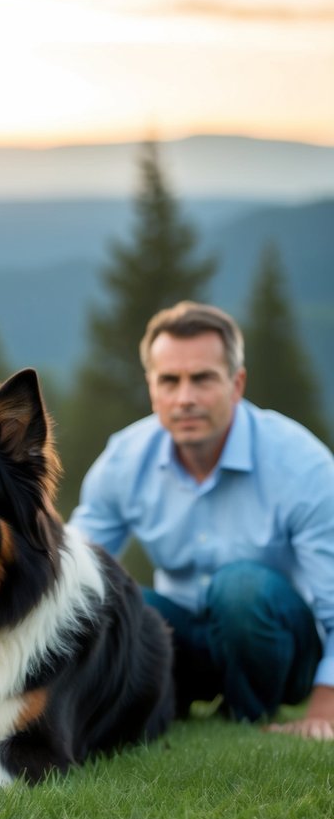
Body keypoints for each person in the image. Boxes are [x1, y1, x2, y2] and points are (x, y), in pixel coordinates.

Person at [70, 301, 334, 740]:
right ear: (152, 388)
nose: (185, 398)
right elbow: (71, 572)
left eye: (203, 379)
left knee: (241, 588)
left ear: (236, 383)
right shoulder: (123, 460)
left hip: (277, 645)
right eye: (169, 380)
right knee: (130, 607)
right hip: (181, 642)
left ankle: (246, 714)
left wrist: (324, 710)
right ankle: (163, 705)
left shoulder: (303, 466)